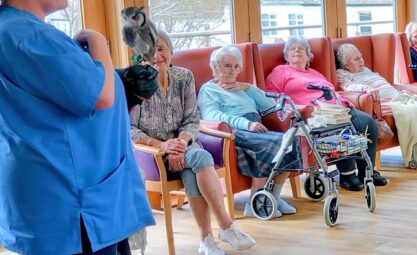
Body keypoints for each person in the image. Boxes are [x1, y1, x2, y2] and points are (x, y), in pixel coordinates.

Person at [0, 0, 154, 255]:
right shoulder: (27, 36)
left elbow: (56, 98)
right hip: (69, 196)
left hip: (53, 186)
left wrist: (122, 81)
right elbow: (101, 95)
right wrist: (98, 41)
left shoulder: (16, 31)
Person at [130, 30, 255, 255]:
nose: (156, 55)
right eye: (149, 50)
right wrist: (163, 146)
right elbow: (128, 129)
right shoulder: (133, 84)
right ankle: (226, 226)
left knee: (194, 168)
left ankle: (207, 241)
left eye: (161, 48)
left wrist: (180, 143)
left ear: (171, 51)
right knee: (200, 157)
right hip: (153, 154)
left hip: (186, 146)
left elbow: (191, 119)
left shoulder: (183, 76)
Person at [265, 36, 389, 191]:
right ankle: (347, 174)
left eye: (301, 48)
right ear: (286, 55)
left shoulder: (315, 73)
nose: (297, 50)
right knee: (343, 129)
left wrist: (344, 103)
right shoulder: (280, 72)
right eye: (292, 48)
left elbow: (331, 91)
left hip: (337, 109)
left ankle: (367, 172)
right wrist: (301, 109)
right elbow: (273, 99)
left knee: (368, 123)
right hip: (317, 114)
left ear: (308, 55)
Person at [197, 45, 302, 218]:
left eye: (236, 66)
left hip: (255, 128)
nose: (232, 70)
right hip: (234, 131)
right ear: (215, 67)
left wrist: (247, 88)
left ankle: (271, 197)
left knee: (291, 141)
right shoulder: (209, 89)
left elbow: (270, 106)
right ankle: (255, 202)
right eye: (227, 66)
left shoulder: (242, 87)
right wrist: (246, 124)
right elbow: (212, 116)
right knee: (276, 144)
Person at [336, 43, 417, 169]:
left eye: (361, 57)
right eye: (356, 59)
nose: (361, 60)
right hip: (382, 102)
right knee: (414, 111)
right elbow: (347, 87)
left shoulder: (365, 70)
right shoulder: (342, 73)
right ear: (346, 65)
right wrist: (365, 88)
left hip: (397, 96)